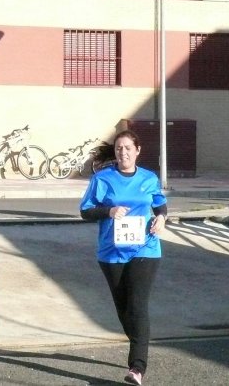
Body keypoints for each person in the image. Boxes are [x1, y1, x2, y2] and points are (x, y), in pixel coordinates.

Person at [79, 129, 167, 385]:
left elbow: (160, 203)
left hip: (145, 248)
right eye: (119, 148)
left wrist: (161, 218)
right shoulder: (102, 179)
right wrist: (109, 211)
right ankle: (140, 340)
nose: (123, 152)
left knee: (138, 305)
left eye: (128, 148)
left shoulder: (149, 178)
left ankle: (136, 368)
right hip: (111, 252)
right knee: (124, 308)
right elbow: (85, 211)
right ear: (115, 152)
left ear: (137, 150)